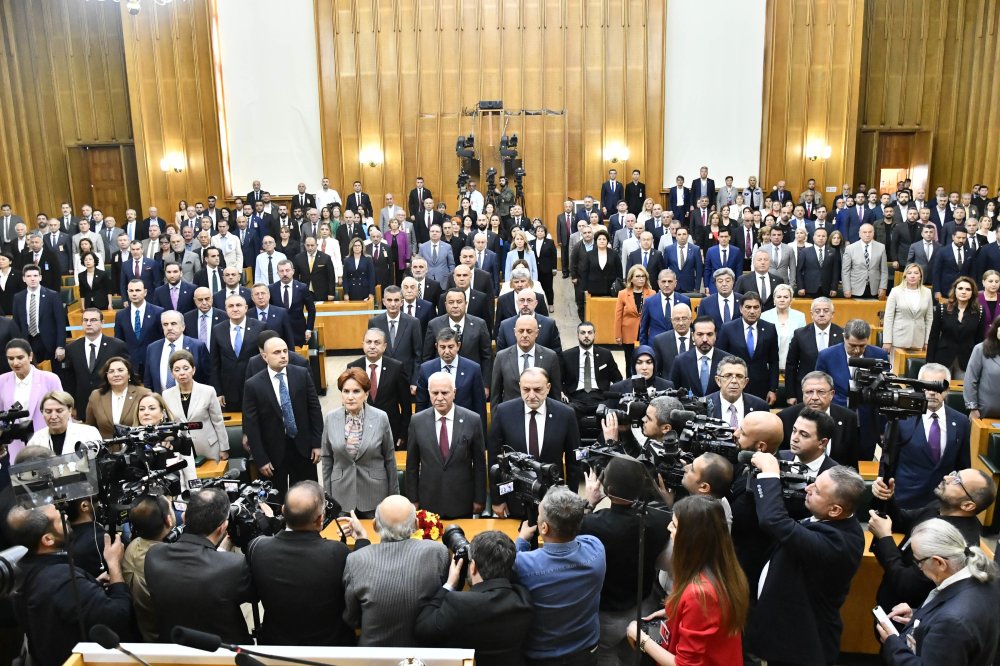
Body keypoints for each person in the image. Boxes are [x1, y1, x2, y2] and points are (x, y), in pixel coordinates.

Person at [744, 455, 866, 666]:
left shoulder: (838, 543)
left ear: (835, 510)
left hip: (800, 647)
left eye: (817, 491)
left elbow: (774, 521)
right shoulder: (829, 519)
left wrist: (770, 474)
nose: (808, 488)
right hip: (784, 634)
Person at [626, 495, 747, 666]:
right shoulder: (723, 566)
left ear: (692, 537)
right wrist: (673, 611)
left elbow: (684, 664)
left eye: (674, 525)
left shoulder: (700, 594)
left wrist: (641, 638)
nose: (669, 527)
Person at [246, 480, 370, 646]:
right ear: (320, 519)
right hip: (330, 648)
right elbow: (362, 583)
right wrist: (362, 540)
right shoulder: (337, 552)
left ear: (283, 510)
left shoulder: (257, 548)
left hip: (278, 648)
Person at [7, 501, 132, 665]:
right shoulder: (62, 579)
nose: (65, 515)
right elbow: (119, 615)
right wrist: (114, 564)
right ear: (48, 539)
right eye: (59, 518)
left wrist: (90, 584)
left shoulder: (22, 570)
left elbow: (55, 603)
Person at [580, 456, 671, 665]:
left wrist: (589, 502)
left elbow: (576, 528)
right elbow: (666, 514)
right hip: (644, 609)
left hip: (606, 614)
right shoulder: (660, 520)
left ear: (607, 489)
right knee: (635, 656)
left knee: (604, 656)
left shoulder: (592, 523)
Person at [869, 468, 993, 616]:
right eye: (953, 473)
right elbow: (902, 520)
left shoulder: (951, 541)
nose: (947, 477)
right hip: (890, 599)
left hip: (907, 616)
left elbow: (907, 585)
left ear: (967, 505)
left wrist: (884, 538)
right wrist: (887, 498)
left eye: (957, 481)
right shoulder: (940, 508)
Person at [876, 519, 1000, 665]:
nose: (919, 568)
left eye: (918, 561)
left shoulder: (952, 621)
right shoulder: (987, 582)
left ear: (939, 563)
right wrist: (919, 618)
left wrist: (892, 645)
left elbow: (953, 624)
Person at [145, 487, 254, 644]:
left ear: (184, 516)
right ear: (223, 527)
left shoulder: (154, 555)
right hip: (223, 651)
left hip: (175, 647)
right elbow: (251, 595)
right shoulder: (233, 565)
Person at [514, 486, 605, 665]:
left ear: (544, 528)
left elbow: (511, 562)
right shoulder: (596, 549)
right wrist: (587, 506)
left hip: (542, 657)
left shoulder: (523, 565)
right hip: (585, 652)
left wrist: (521, 540)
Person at [414, 530, 533, 666]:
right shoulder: (524, 600)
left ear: (473, 567)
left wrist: (449, 585)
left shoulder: (458, 603)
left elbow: (422, 631)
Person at [343, 495, 449, 646]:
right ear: (417, 524)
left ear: (374, 525)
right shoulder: (438, 552)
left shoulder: (355, 559)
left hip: (373, 657)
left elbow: (352, 620)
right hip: (423, 654)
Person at [488, 368, 581, 520]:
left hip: (554, 502)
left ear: (548, 388)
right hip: (515, 500)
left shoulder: (565, 414)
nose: (531, 395)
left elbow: (574, 464)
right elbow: (493, 460)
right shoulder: (504, 412)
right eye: (526, 389)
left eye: (537, 390)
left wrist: (571, 500)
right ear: (520, 387)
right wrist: (498, 500)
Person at [243, 336, 323, 498]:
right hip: (272, 452)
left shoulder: (301, 374)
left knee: (307, 497)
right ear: (265, 357)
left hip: (303, 447)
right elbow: (252, 426)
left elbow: (314, 410)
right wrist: (260, 458)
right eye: (277, 352)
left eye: (285, 351)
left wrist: (317, 443)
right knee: (275, 500)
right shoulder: (253, 385)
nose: (283, 355)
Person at [405, 371, 486, 518]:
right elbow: (412, 465)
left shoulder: (472, 420)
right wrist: (413, 499)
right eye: (435, 393)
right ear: (429, 393)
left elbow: (480, 464)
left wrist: (479, 499)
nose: (439, 398)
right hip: (428, 500)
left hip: (462, 500)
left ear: (454, 393)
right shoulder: (417, 421)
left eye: (445, 392)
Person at [321, 368, 398, 517]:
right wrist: (328, 496)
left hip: (374, 495)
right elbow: (326, 459)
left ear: (366, 394)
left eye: (356, 391)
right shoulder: (331, 418)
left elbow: (389, 458)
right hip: (341, 495)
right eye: (346, 391)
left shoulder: (380, 417)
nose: (350, 397)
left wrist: (393, 496)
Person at [816, 318, 888, 460]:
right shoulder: (827, 356)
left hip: (867, 422)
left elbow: (883, 393)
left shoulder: (879, 355)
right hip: (836, 421)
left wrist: (882, 427)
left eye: (862, 346)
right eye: (852, 345)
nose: (857, 350)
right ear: (844, 337)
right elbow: (819, 389)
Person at [162, 349, 228, 461]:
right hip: (182, 449)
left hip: (209, 446)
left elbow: (218, 421)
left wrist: (224, 448)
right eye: (177, 370)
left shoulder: (208, 391)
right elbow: (168, 424)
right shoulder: (166, 395)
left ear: (193, 370)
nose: (182, 373)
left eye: (186, 368)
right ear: (172, 373)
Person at [717, 292, 779, 403]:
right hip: (733, 384)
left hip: (761, 386)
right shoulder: (728, 328)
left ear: (761, 309)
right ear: (741, 309)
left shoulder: (769, 328)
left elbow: (774, 361)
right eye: (748, 307)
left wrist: (773, 389)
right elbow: (720, 359)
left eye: (756, 307)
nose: (752, 311)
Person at [490, 315, 562, 409]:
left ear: (537, 333)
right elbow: (496, 395)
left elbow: (555, 395)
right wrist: (497, 420)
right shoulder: (501, 357)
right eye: (521, 331)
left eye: (529, 331)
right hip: (510, 416)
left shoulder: (550, 357)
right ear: (515, 332)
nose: (524, 335)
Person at [785, 297, 844, 404]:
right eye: (817, 311)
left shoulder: (842, 334)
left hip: (834, 392)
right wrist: (791, 394)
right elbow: (791, 366)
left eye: (826, 311)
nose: (821, 314)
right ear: (811, 314)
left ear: (832, 314)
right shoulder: (800, 334)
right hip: (806, 390)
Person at [561, 321, 623, 417]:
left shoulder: (605, 354)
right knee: (568, 412)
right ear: (577, 335)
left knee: (608, 413)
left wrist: (612, 396)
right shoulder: (567, 355)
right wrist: (562, 393)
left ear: (594, 335)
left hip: (600, 397)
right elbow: (559, 380)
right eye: (583, 333)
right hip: (575, 398)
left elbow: (618, 379)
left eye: (590, 332)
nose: (586, 336)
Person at [927, 276, 982, 379]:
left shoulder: (979, 312)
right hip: (942, 358)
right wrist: (929, 363)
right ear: (955, 290)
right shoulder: (942, 308)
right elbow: (933, 338)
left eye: (968, 289)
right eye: (960, 288)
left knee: (962, 392)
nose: (963, 292)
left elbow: (979, 341)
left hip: (967, 360)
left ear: (972, 292)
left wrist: (979, 364)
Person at [85, 355, 150, 438]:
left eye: (120, 370)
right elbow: (90, 427)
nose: (116, 374)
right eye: (111, 371)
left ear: (129, 374)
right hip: (107, 449)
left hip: (135, 447)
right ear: (106, 376)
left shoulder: (143, 393)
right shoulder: (96, 395)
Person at [25, 390, 102, 457]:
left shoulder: (89, 433)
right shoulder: (35, 440)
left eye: (59, 411)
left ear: (70, 411)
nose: (53, 416)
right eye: (48, 412)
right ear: (42, 412)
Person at [882, 263, 934, 354]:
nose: (912, 276)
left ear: (920, 276)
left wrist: (927, 341)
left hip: (918, 341)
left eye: (916, 273)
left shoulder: (927, 292)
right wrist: (887, 340)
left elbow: (929, 319)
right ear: (905, 276)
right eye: (909, 273)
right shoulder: (895, 291)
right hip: (898, 339)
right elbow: (888, 318)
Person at [706, 355, 769, 426]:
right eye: (728, 375)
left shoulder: (760, 407)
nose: (734, 381)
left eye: (739, 376)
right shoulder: (704, 405)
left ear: (745, 382)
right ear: (718, 380)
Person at [759, 283, 806, 372]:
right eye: (779, 297)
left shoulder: (800, 316)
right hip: (769, 365)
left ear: (791, 300)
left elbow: (802, 342)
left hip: (792, 365)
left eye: (785, 297)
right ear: (774, 299)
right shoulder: (764, 316)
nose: (782, 300)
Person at [613, 265, 653, 368]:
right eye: (638, 276)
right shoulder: (623, 294)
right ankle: (630, 382)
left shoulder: (652, 293)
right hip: (628, 332)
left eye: (643, 276)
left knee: (646, 359)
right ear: (631, 278)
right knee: (630, 362)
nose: (641, 279)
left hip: (646, 332)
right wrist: (618, 335)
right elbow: (618, 316)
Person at [841, 222, 889, 299]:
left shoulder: (881, 247)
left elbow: (884, 270)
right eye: (864, 232)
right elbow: (845, 271)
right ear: (859, 234)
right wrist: (846, 288)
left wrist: (883, 287)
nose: (867, 234)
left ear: (873, 233)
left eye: (870, 232)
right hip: (855, 288)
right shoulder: (850, 248)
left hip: (875, 288)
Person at [965, 317, 1000, 418]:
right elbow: (970, 380)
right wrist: (973, 408)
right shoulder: (980, 349)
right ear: (996, 329)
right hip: (984, 412)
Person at [580, 229, 622, 297]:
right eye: (599, 239)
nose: (602, 241)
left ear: (607, 241)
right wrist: (585, 289)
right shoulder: (589, 255)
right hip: (594, 288)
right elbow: (585, 272)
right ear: (596, 241)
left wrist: (619, 286)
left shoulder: (614, 254)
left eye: (604, 239)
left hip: (611, 289)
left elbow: (619, 271)